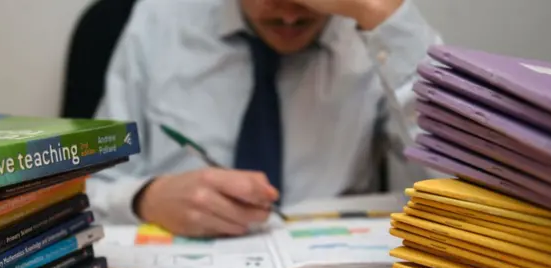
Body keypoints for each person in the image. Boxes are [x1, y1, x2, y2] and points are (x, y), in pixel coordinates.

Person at [87, 0, 441, 237]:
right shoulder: (159, 21)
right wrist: (145, 199)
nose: (289, 16)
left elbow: (468, 186)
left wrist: (382, 14)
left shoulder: (375, 34)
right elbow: (82, 193)